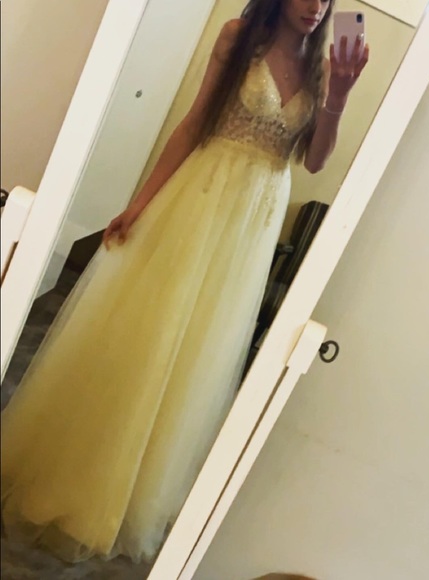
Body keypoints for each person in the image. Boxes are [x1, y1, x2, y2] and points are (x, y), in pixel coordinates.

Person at [0, 0, 369, 565]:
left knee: (199, 351)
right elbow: (195, 123)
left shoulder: (323, 68)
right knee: (149, 334)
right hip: (199, 197)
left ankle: (136, 491)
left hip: (255, 219)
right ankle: (85, 473)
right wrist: (139, 204)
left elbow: (315, 162)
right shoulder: (238, 37)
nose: (316, 7)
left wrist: (339, 96)